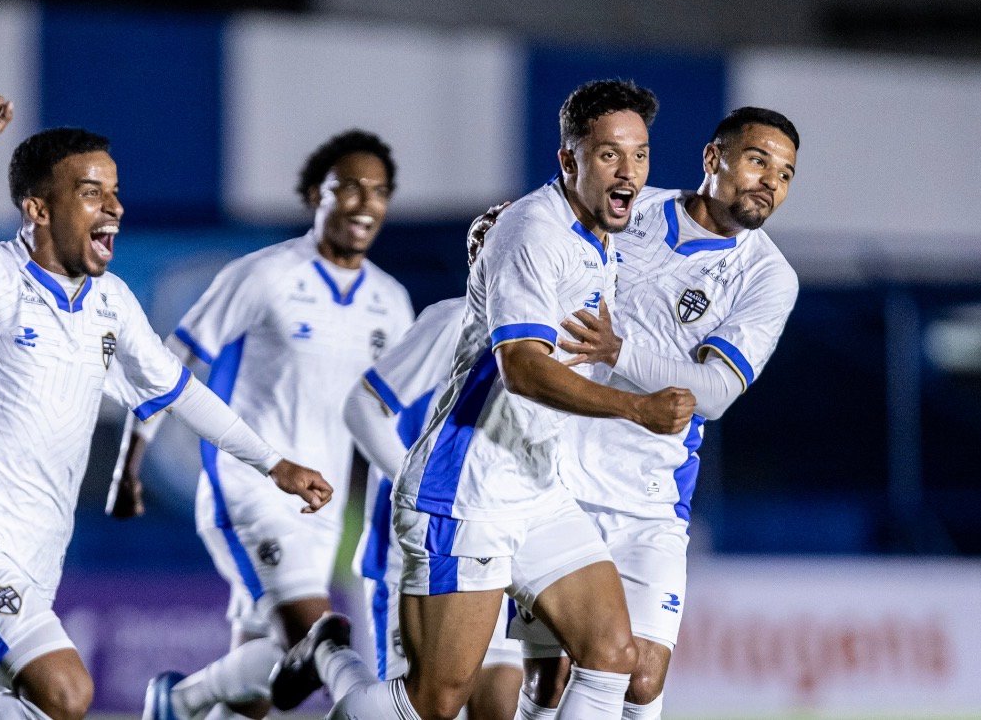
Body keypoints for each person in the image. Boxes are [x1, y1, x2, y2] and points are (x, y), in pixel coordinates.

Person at [0, 92, 332, 720]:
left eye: (115, 191)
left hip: (36, 559)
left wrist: (272, 463)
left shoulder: (111, 302)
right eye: (93, 193)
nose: (116, 208)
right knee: (65, 692)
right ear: (38, 208)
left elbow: (178, 391)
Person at [272, 79, 698, 720]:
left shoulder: (601, 238)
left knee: (612, 654)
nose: (629, 171)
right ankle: (333, 668)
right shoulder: (532, 233)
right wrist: (636, 409)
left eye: (639, 155)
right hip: (465, 493)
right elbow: (523, 368)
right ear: (569, 159)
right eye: (609, 153)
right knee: (437, 700)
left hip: (533, 488)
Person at [109, 130, 415, 720]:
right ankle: (180, 698)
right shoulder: (265, 275)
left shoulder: (391, 301)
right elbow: (169, 364)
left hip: (321, 507)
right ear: (312, 195)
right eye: (346, 187)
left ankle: (185, 702)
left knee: (263, 686)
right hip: (250, 487)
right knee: (318, 642)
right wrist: (131, 462)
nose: (363, 203)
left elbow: (390, 415)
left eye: (378, 191)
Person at [509, 106, 802, 719]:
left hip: (649, 496)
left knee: (642, 677)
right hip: (554, 479)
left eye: (785, 173)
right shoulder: (630, 207)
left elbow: (715, 393)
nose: (771, 181)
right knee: (550, 679)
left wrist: (622, 351)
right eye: (757, 160)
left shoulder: (768, 276)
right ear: (712, 158)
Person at [339, 202, 522, 720]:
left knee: (498, 705)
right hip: (411, 551)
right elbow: (362, 407)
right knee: (420, 708)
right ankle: (332, 661)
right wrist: (423, 490)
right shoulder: (453, 321)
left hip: (490, 547)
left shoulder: (548, 336)